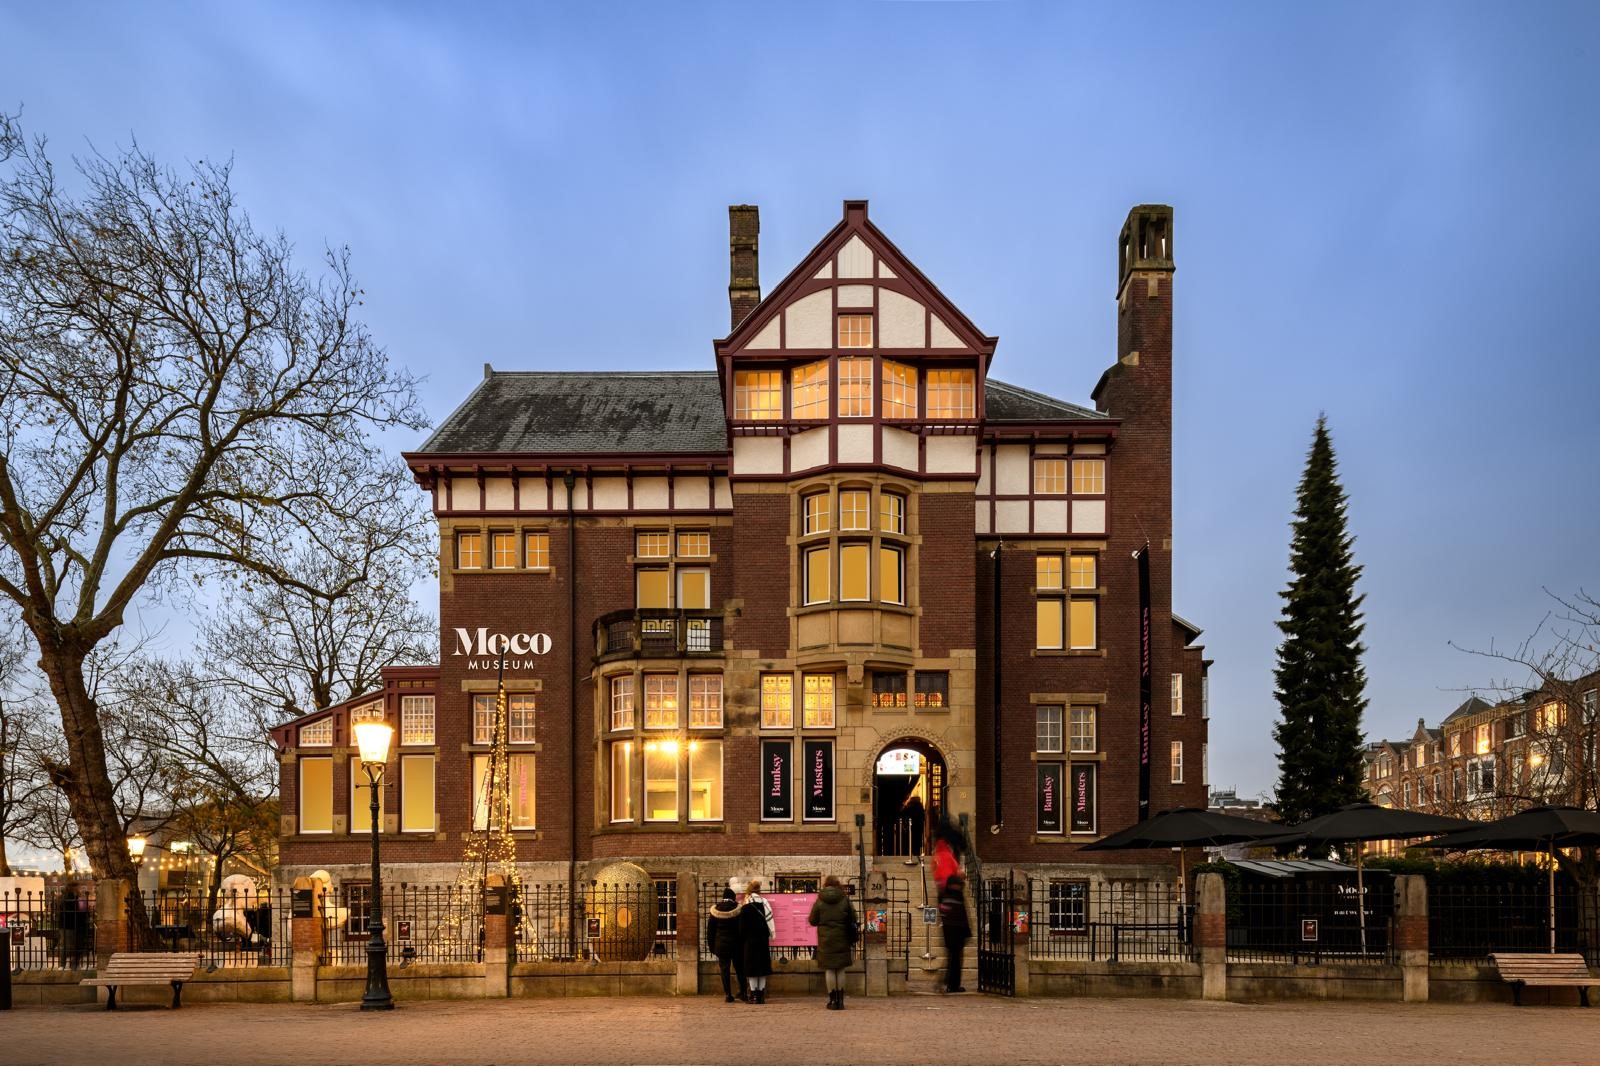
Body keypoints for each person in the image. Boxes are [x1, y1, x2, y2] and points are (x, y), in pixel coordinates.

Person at [807, 874, 858, 1010]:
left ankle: (832, 1000)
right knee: (840, 969)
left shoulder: (820, 900)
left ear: (825, 884)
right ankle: (841, 1001)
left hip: (826, 940)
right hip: (843, 938)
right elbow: (854, 917)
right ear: (837, 884)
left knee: (829, 969)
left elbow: (812, 920)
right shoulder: (845, 899)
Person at [932, 815, 970, 993]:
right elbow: (951, 879)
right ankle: (949, 982)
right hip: (954, 907)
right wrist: (959, 877)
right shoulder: (946, 855)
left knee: (953, 949)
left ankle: (949, 982)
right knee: (956, 948)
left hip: (947, 907)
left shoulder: (939, 854)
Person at [706, 887, 748, 1002]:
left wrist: (711, 947)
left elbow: (710, 931)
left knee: (724, 970)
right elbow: (742, 929)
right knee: (740, 969)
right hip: (736, 945)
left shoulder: (716, 910)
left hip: (721, 945)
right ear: (733, 897)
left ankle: (728, 995)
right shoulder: (738, 909)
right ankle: (743, 992)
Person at [739, 878, 775, 1003]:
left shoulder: (745, 906)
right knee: (762, 968)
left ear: (749, 891)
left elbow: (741, 928)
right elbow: (770, 921)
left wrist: (742, 940)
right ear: (759, 891)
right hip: (763, 940)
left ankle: (754, 996)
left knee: (752, 969)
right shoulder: (765, 903)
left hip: (750, 941)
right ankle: (761, 996)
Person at [900, 791, 926, 865]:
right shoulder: (920, 806)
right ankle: (916, 855)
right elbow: (923, 817)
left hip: (911, 827)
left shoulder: (909, 806)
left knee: (909, 842)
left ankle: (910, 856)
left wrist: (905, 804)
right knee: (917, 843)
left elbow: (902, 813)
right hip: (919, 827)